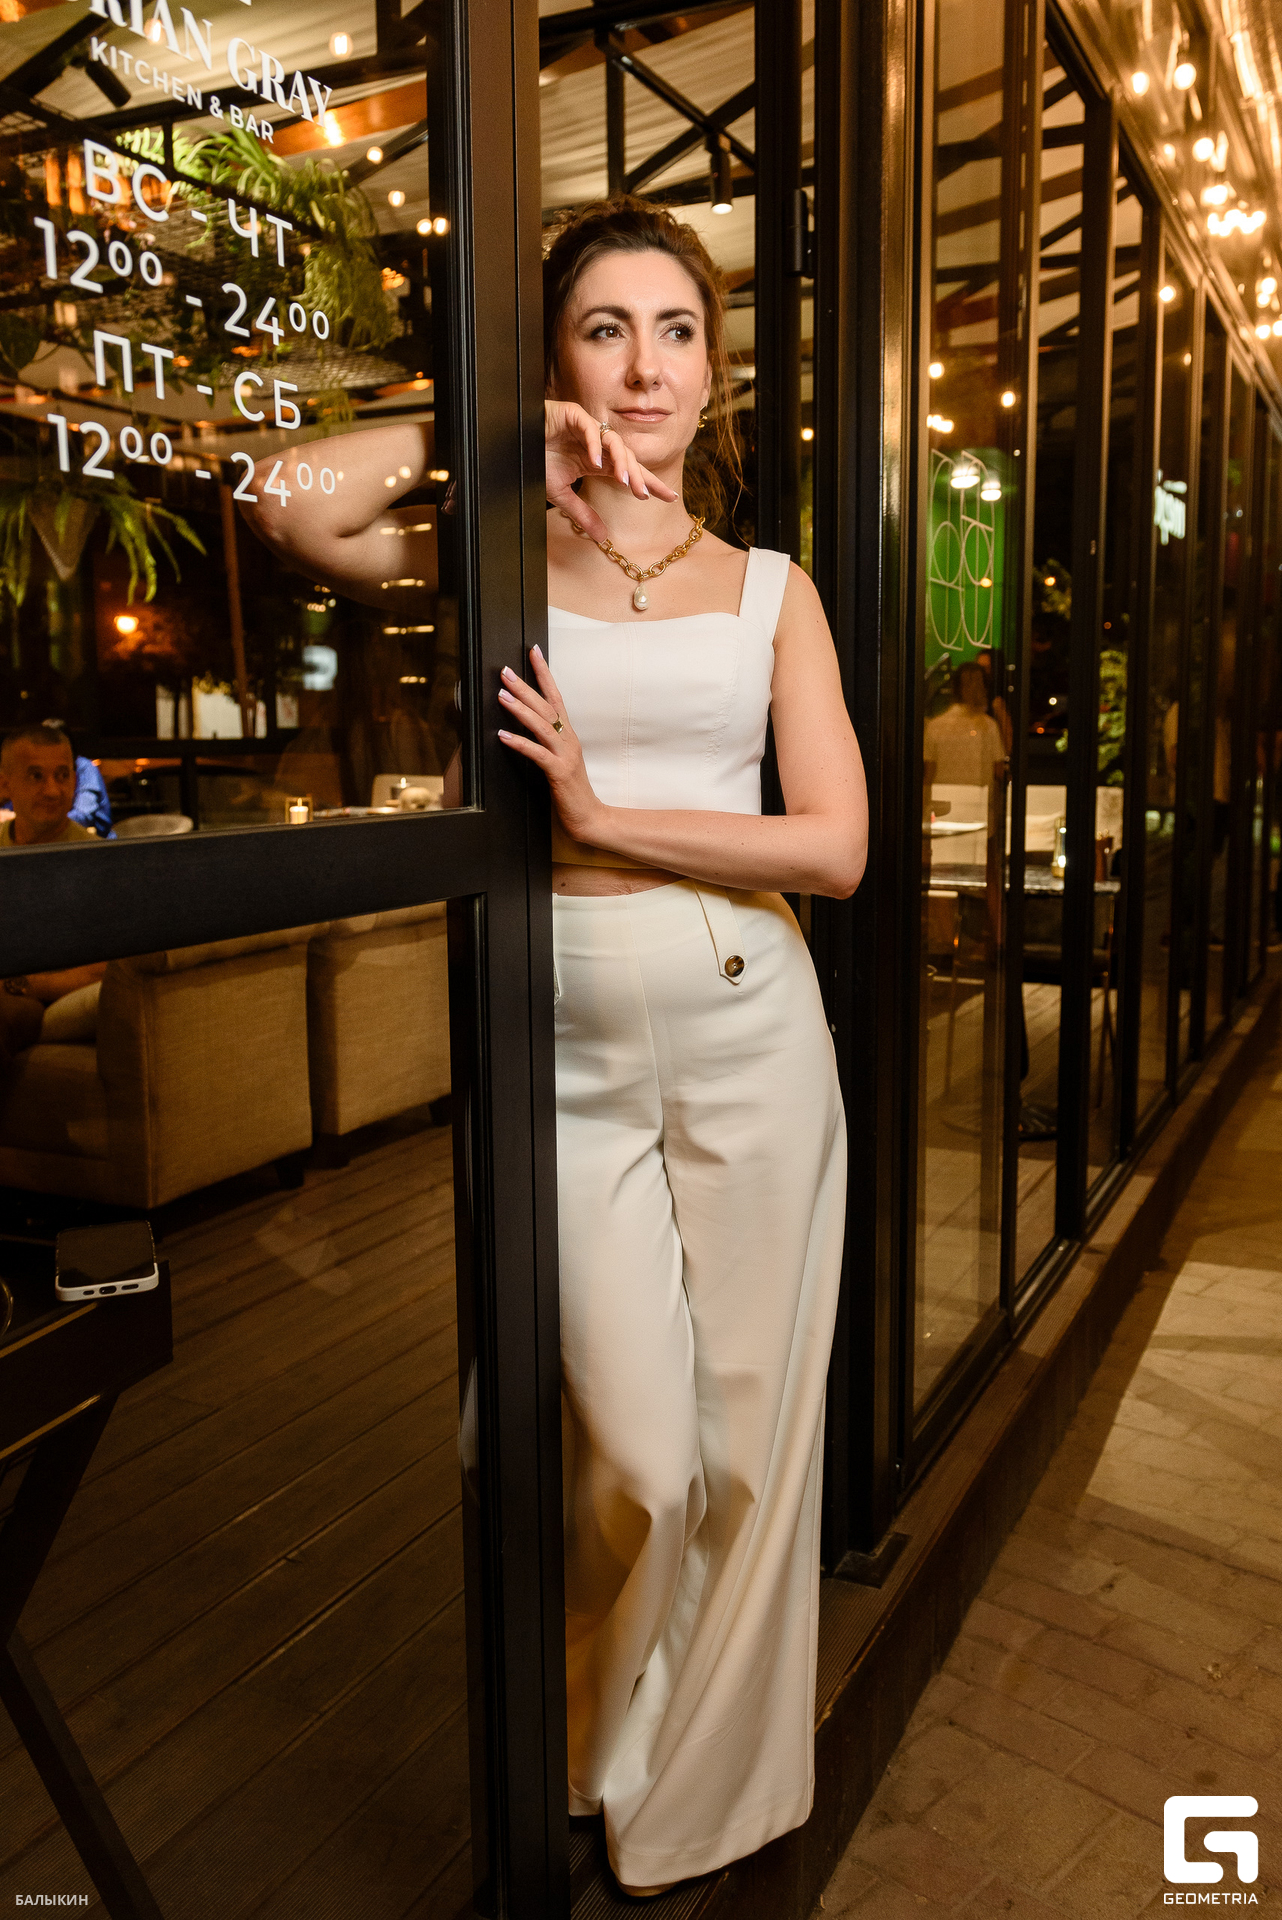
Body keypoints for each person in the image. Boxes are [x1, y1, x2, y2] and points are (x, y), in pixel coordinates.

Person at [235, 196, 867, 1898]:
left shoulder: (771, 592)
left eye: (674, 330)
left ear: (714, 371)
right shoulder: (503, 552)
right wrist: (498, 432)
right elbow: (289, 501)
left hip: (748, 1021)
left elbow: (833, 847)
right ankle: (600, 1731)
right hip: (559, 1042)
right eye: (603, 330)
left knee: (752, 1437)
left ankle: (698, 1790)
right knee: (636, 1453)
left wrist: (604, 812)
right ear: (557, 358)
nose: (642, 366)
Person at [0, 723, 106, 1059]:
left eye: (62, 776)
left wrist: (22, 984)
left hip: (33, 999)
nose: (52, 790)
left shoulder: (97, 860)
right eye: (36, 776)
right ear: (5, 783)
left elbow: (108, 969)